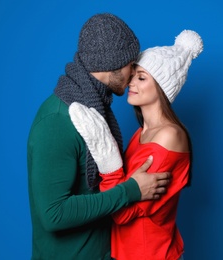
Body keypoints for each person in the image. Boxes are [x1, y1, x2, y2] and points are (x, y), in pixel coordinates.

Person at [27, 13, 171, 260]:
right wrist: (131, 191)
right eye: (131, 63)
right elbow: (54, 214)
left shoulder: (95, 110)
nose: (134, 72)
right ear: (112, 64)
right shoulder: (57, 121)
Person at [69, 30, 203, 260]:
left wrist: (109, 161)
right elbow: (123, 192)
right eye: (133, 75)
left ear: (161, 86)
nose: (131, 82)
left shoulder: (169, 136)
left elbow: (122, 213)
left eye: (142, 77)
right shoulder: (142, 132)